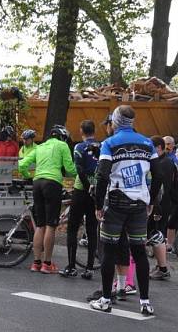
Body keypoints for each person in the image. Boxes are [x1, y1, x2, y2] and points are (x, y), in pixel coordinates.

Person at [90, 105, 163, 315]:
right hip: (140, 204)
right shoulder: (148, 143)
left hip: (116, 203)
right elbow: (158, 175)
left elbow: (102, 175)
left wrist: (98, 205)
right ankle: (145, 302)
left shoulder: (109, 143)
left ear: (115, 121)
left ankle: (105, 299)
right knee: (139, 252)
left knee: (109, 250)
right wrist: (152, 201)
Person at [19, 125, 77, 274]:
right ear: (62, 137)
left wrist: (28, 176)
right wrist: (79, 176)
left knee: (40, 225)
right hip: (52, 184)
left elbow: (22, 164)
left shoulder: (40, 147)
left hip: (37, 183)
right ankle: (47, 264)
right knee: (51, 225)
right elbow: (70, 169)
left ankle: (36, 263)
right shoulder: (62, 145)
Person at [61, 119, 99, 279]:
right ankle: (89, 268)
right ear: (94, 131)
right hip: (96, 191)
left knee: (72, 228)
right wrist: (94, 187)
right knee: (91, 229)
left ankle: (71, 266)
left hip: (81, 190)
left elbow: (79, 169)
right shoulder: (102, 146)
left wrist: (86, 185)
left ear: (82, 131)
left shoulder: (79, 147)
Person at [148, 136, 178, 280]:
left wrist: (157, 207)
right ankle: (160, 266)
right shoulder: (162, 161)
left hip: (162, 204)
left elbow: (163, 188)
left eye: (151, 148)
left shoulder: (165, 163)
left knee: (158, 234)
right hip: (160, 204)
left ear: (159, 148)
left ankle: (162, 267)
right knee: (157, 234)